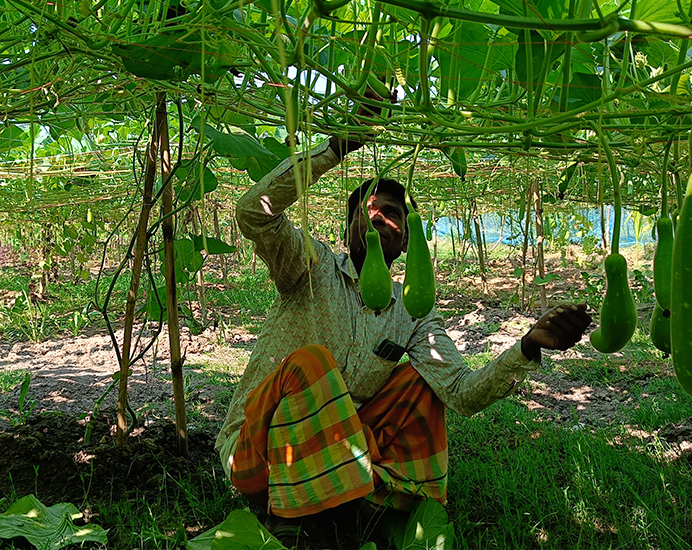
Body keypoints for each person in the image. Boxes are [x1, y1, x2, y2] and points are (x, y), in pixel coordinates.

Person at [214, 110, 592, 547]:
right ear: (346, 229)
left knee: (419, 380)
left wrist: (526, 346)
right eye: (367, 210)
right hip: (259, 455)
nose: (378, 217)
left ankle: (365, 508)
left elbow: (462, 393)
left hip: (343, 458)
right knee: (311, 365)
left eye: (393, 213)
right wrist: (335, 148)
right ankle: (301, 520)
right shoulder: (308, 266)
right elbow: (253, 214)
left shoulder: (413, 313)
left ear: (407, 238)